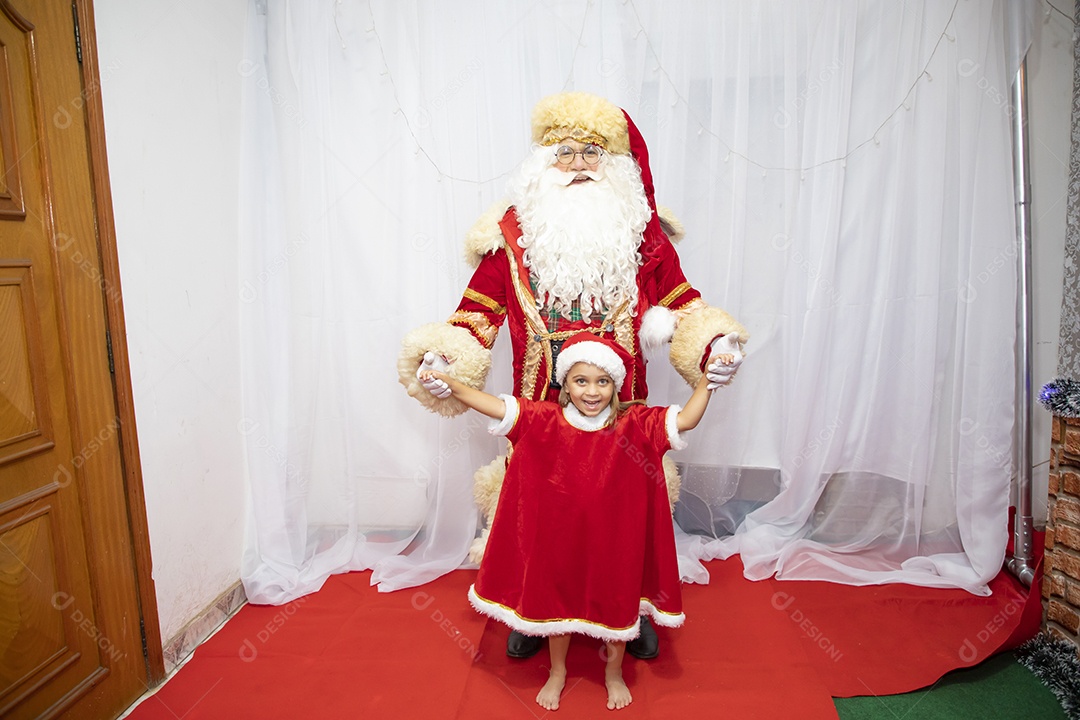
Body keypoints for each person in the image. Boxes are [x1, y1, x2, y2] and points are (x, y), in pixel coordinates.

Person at [398, 91, 748, 660]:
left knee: (621, 513)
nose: (580, 164)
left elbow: (684, 305)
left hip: (623, 413)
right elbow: (476, 314)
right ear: (542, 162)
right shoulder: (509, 235)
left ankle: (631, 608)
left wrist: (715, 346)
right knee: (542, 514)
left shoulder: (644, 233)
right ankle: (531, 610)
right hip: (540, 415)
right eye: (566, 152)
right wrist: (444, 361)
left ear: (616, 164)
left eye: (593, 152)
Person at [419, 332, 736, 711]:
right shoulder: (542, 420)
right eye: (581, 380)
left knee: (618, 606)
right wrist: (449, 383)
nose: (592, 391)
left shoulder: (637, 423)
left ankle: (613, 673)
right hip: (560, 544)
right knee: (558, 606)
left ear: (615, 385)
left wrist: (707, 381)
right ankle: (557, 672)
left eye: (602, 382)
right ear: (565, 384)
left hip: (617, 546)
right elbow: (493, 406)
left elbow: (686, 419)